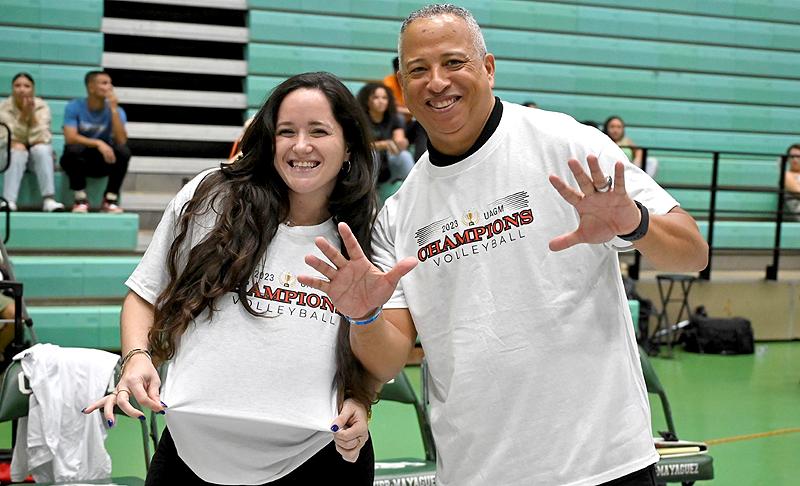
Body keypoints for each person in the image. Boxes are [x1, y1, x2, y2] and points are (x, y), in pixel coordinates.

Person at [299, 5, 708, 486]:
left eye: (454, 62)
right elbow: (389, 359)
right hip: (477, 472)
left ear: (488, 68)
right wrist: (364, 316)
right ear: (404, 89)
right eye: (418, 70)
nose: (437, 82)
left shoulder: (565, 143)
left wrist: (636, 223)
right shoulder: (399, 212)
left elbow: (693, 253)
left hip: (603, 465)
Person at [83, 72, 378, 485]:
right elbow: (144, 295)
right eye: (286, 131)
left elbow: (377, 346)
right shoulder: (212, 198)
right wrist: (136, 357)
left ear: (348, 146)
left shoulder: (365, 232)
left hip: (318, 456)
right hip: (190, 454)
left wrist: (362, 400)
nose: (301, 146)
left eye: (319, 131)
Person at [60, 71, 130, 213]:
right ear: (91, 87)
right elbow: (70, 137)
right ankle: (80, 199)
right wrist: (98, 143)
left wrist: (114, 110)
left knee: (123, 151)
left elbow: (121, 140)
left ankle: (110, 199)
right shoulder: (74, 106)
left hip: (104, 160)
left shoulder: (117, 110)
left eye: (110, 83)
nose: (109, 87)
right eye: (104, 83)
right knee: (72, 150)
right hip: (80, 160)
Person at [0, 73, 64, 212]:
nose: (22, 89)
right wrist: (23, 117)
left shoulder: (42, 107)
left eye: (26, 86)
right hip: (7, 156)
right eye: (17, 86)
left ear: (33, 89)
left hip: (34, 158)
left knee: (42, 149)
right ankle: (9, 201)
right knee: (17, 150)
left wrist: (31, 116)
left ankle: (49, 200)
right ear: (12, 89)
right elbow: (8, 138)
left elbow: (43, 138)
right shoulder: (3, 108)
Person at [356, 82, 415, 182]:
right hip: (366, 164)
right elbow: (359, 147)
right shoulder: (359, 120)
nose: (381, 101)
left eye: (384, 98)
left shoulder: (395, 118)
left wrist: (401, 143)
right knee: (372, 154)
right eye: (376, 98)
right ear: (366, 100)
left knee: (404, 155)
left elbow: (399, 138)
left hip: (389, 164)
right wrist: (384, 144)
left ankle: (414, 187)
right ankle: (367, 188)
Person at [783, 143, 800, 221]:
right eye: (792, 157)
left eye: (798, 156)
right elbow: (798, 191)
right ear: (788, 159)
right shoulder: (786, 175)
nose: (795, 159)